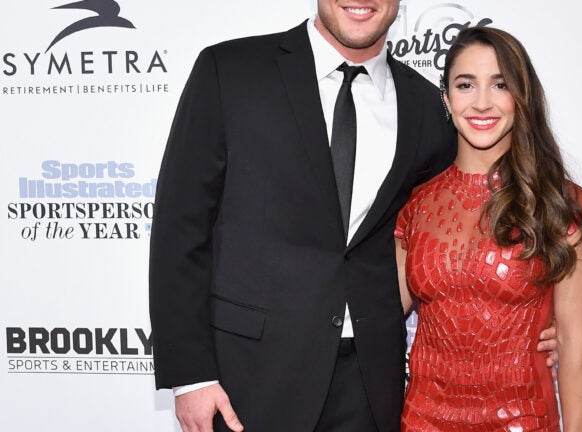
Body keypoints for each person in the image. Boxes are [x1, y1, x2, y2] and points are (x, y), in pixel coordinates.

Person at [149, 2, 558, 431]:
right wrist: (190, 376)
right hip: (247, 379)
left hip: (370, 386)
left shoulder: (428, 108)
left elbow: (456, 234)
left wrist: (538, 330)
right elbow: (181, 227)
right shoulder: (231, 71)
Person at [395, 26, 582, 432]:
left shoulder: (562, 205)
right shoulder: (418, 203)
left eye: (500, 84)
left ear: (520, 97)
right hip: (422, 419)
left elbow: (576, 347)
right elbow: (378, 313)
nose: (482, 103)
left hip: (521, 419)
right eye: (466, 84)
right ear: (447, 97)